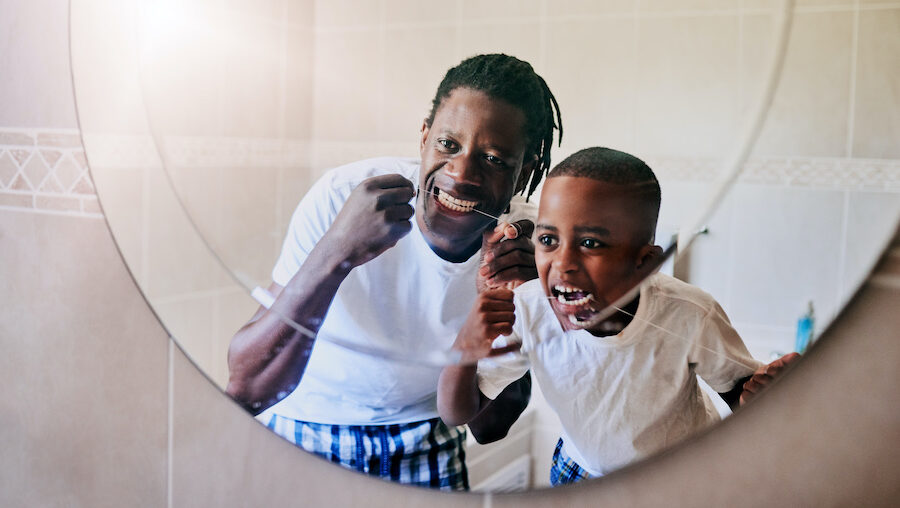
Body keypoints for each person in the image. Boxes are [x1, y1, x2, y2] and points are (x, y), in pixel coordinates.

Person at [225, 53, 562, 491]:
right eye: (447, 144)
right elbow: (246, 389)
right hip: (301, 427)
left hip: (426, 439)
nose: (461, 175)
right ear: (423, 139)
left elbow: (489, 428)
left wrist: (523, 305)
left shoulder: (527, 245)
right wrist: (338, 251)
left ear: (527, 172)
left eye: (495, 159)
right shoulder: (340, 199)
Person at [437, 147, 801, 486]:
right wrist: (465, 347)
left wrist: (760, 396)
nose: (563, 263)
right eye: (549, 240)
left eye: (591, 243)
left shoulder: (689, 314)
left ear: (643, 264)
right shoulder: (529, 308)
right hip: (577, 470)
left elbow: (738, 391)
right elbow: (458, 414)